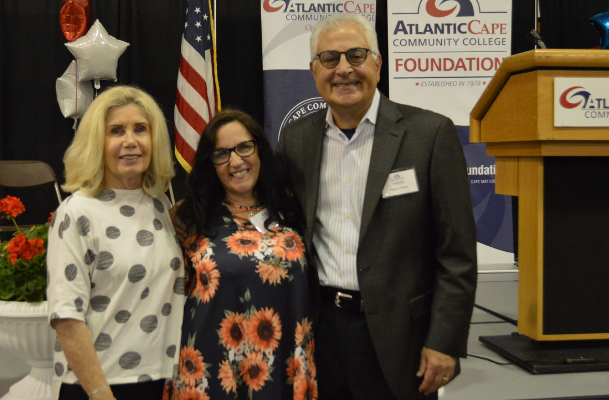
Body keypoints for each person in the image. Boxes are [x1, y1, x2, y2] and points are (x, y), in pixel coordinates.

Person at [275, 14, 477, 400]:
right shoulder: (296, 139)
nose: (344, 69)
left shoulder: (429, 134)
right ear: (314, 71)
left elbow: (458, 254)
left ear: (378, 63)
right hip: (321, 331)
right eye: (330, 59)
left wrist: (445, 341)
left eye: (357, 55)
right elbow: (272, 213)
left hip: (402, 340)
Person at [165, 110, 317, 399]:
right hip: (211, 371)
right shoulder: (191, 219)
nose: (235, 161)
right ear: (211, 164)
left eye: (244, 147)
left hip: (285, 365)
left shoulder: (292, 208)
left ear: (259, 149)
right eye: (221, 154)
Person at [47, 86, 185, 400]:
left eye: (141, 129)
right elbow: (66, 318)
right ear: (97, 141)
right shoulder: (77, 212)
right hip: (100, 386)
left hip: (163, 380)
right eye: (116, 131)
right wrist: (100, 393)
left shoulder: (160, 205)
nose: (130, 141)